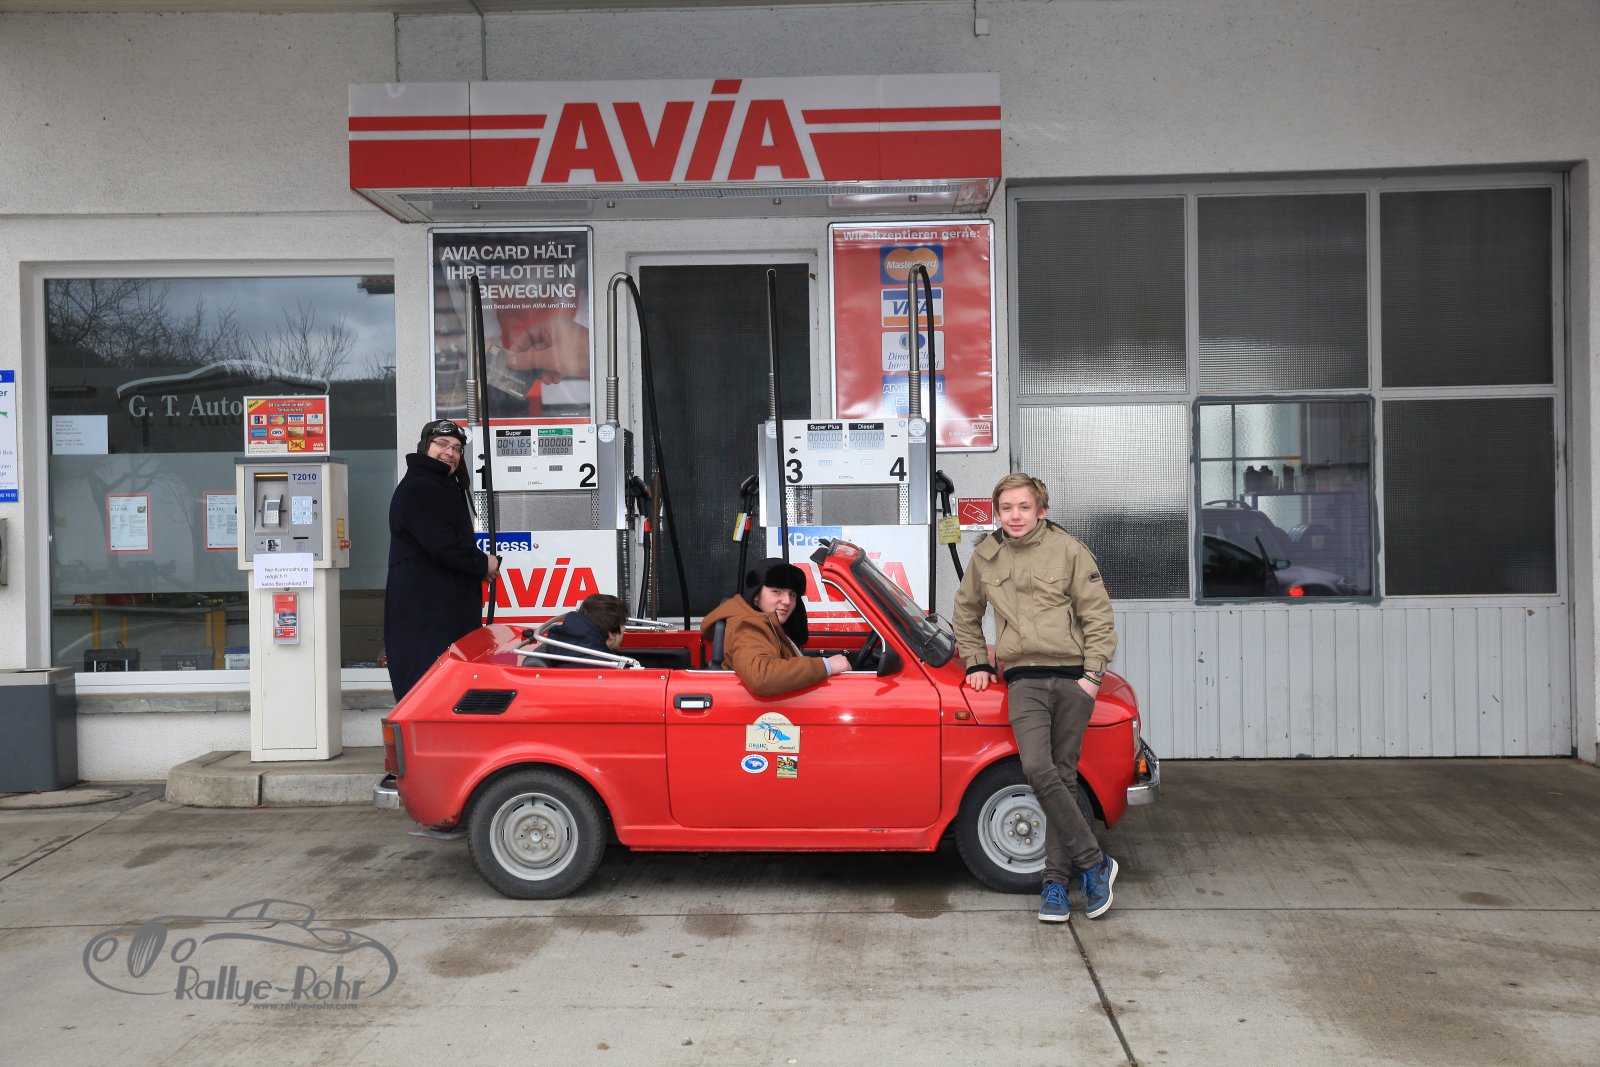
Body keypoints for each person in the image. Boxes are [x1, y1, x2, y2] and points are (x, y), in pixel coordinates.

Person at [952, 473, 1119, 924]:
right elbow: (965, 613)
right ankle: (1095, 862)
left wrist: (1092, 676)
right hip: (1023, 677)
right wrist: (976, 662)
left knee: (1063, 777)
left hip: (1073, 677)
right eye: (1007, 508)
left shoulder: (1069, 550)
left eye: (1024, 507)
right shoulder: (986, 556)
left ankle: (1054, 884)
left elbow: (1098, 615)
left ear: (1041, 511)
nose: (1015, 516)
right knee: (1038, 769)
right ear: (997, 512)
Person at [384, 418, 501, 702]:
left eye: (457, 448)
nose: (450, 452)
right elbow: (443, 545)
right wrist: (482, 564)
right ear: (425, 447)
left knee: (446, 688)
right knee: (429, 689)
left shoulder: (439, 484)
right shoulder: (422, 487)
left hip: (437, 610)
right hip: (427, 616)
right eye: (442, 444)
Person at [700, 558, 850, 697]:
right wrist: (826, 665)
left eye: (792, 594)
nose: (787, 601)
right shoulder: (747, 626)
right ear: (756, 595)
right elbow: (761, 676)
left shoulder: (770, 622)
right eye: (776, 591)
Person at [542, 593, 628, 663]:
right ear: (611, 634)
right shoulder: (601, 666)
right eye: (622, 625)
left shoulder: (562, 644)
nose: (624, 629)